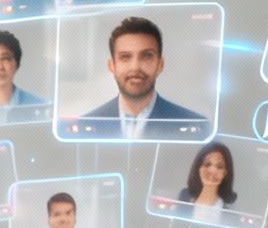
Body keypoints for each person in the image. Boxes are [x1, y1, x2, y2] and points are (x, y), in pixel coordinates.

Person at [73, 17, 208, 139]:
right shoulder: (85, 125)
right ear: (111, 66)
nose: (135, 67)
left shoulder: (195, 125)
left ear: (160, 64)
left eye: (147, 56)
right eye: (125, 57)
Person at [177, 141, 238, 212]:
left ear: (225, 173)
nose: (212, 171)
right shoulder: (184, 197)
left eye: (219, 166)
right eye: (207, 164)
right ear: (198, 168)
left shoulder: (230, 208)